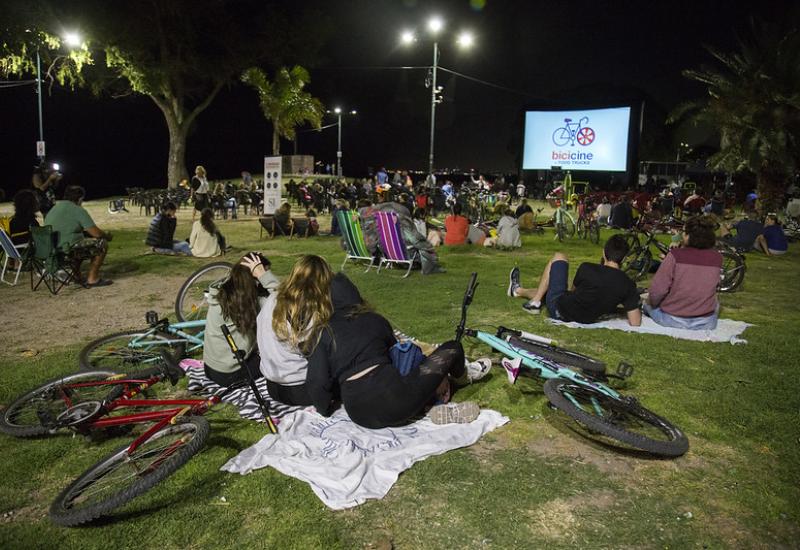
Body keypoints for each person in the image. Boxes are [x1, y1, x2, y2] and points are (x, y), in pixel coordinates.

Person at [306, 273, 479, 428]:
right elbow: (399, 357)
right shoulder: (374, 320)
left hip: (359, 414)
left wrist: (325, 409)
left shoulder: (322, 332)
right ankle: (454, 383)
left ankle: (425, 406)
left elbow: (317, 382)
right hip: (396, 400)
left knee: (404, 389)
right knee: (453, 348)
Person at [507, 234, 641, 326]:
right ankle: (517, 290)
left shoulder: (587, 268)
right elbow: (635, 322)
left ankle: (535, 301)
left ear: (603, 253)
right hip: (586, 319)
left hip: (559, 310)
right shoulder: (628, 284)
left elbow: (572, 293)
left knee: (559, 256)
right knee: (548, 291)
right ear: (624, 259)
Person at [257, 255, 334, 406]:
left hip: (272, 385)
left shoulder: (273, 298)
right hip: (301, 389)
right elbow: (316, 353)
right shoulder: (308, 310)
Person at [203, 253, 278, 387]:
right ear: (256, 278)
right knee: (278, 358)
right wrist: (264, 276)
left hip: (210, 367)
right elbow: (285, 301)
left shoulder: (224, 291)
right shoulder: (253, 302)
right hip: (230, 374)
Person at [644, 216, 722, 330]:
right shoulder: (717, 258)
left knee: (647, 304)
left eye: (684, 232)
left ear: (689, 236)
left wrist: (651, 302)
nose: (681, 235)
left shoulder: (675, 255)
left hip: (671, 318)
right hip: (706, 321)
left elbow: (658, 290)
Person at [44, 185, 113, 287]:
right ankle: (92, 278)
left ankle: (76, 276)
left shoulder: (54, 208)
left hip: (53, 247)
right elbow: (96, 233)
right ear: (80, 199)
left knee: (81, 245)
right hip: (67, 247)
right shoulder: (77, 210)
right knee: (101, 244)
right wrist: (107, 236)